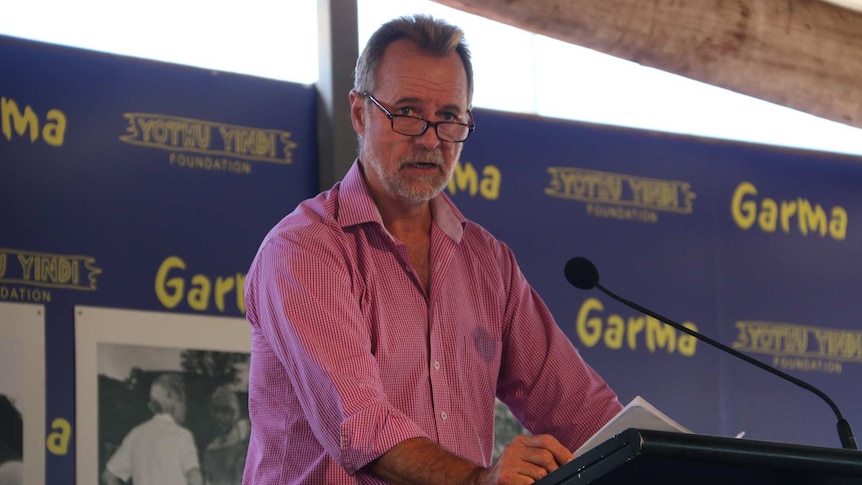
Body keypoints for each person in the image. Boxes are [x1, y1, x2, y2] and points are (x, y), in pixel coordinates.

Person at [243, 14, 622, 484]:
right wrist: (478, 480)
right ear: (360, 113)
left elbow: (578, 409)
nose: (429, 139)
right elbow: (359, 427)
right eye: (407, 112)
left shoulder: (487, 262)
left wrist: (681, 459)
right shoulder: (304, 251)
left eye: (448, 118)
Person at [102, 373, 203, 485]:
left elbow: (108, 476)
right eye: (184, 402)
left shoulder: (135, 435)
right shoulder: (183, 436)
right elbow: (195, 479)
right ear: (175, 400)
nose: (185, 408)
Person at [202, 385, 250, 485]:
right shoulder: (210, 450)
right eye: (216, 410)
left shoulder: (243, 444)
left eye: (225, 411)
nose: (219, 417)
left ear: (234, 413)